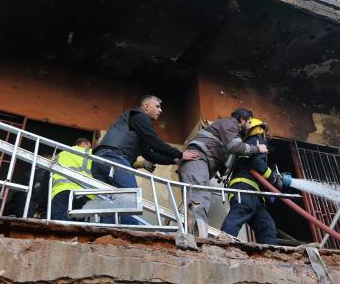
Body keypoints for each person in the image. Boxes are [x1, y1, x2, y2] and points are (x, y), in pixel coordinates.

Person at [93, 94, 182, 224]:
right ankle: (131, 234)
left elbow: (149, 154)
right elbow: (155, 142)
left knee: (109, 204)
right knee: (131, 197)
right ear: (146, 106)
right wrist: (181, 155)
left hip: (98, 162)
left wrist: (173, 160)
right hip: (113, 158)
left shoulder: (137, 129)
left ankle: (108, 237)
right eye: (157, 106)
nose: (160, 110)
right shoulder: (140, 116)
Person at [178, 108, 266, 236]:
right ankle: (196, 237)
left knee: (198, 197)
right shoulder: (229, 124)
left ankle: (194, 235)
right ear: (242, 119)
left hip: (199, 163)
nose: (249, 126)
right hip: (198, 160)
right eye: (249, 122)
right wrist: (257, 148)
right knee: (199, 197)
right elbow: (236, 147)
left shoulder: (227, 129)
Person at [220, 118, 289, 245]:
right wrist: (273, 179)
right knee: (239, 213)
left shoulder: (247, 145)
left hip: (254, 195)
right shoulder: (257, 141)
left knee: (266, 225)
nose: (265, 135)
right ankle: (223, 244)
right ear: (259, 130)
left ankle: (270, 252)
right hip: (244, 188)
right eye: (263, 131)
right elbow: (258, 164)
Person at [48, 137, 93, 221]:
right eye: (89, 146)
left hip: (61, 191)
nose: (90, 148)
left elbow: (48, 176)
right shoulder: (91, 154)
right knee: (82, 228)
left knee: (61, 226)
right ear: (83, 144)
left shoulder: (60, 155)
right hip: (85, 193)